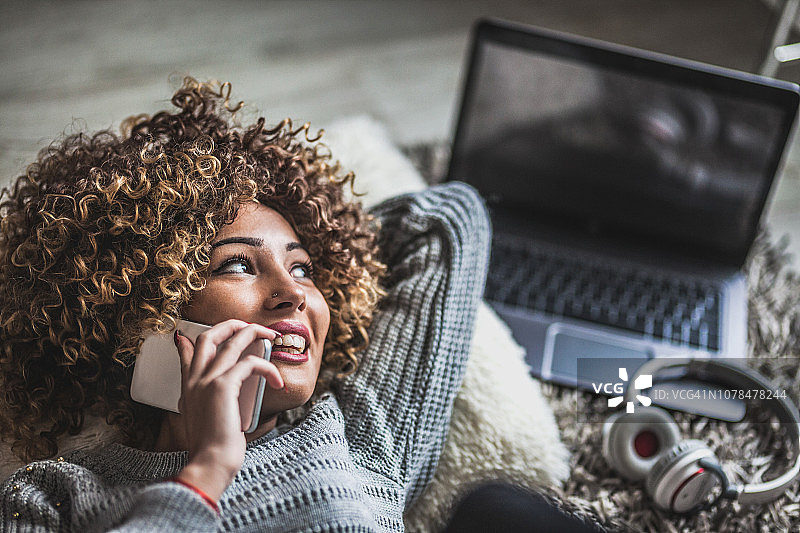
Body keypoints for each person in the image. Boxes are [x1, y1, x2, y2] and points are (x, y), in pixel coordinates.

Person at [0, 77, 491, 531]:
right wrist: (208, 469)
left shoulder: (362, 437)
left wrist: (338, 233)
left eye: (304, 268)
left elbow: (443, 219)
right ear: (143, 311)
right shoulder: (54, 493)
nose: (294, 293)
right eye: (236, 264)